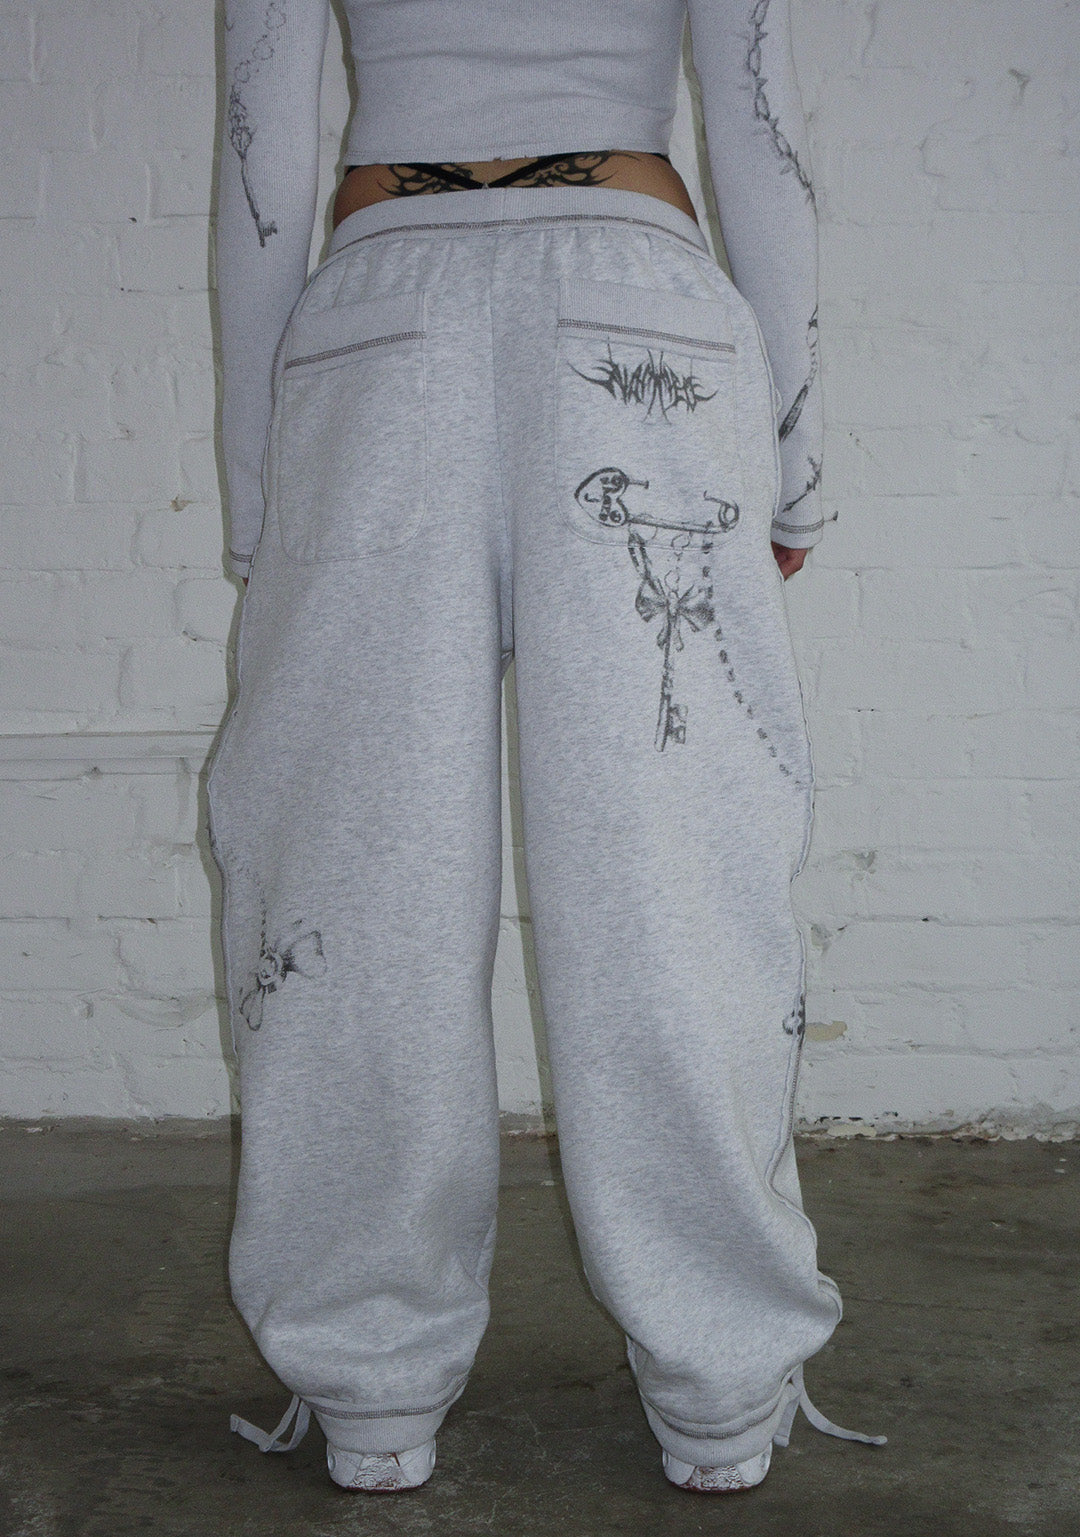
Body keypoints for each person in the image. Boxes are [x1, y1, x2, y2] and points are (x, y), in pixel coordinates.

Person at [207, 0, 886, 1498]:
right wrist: (791, 456)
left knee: (355, 876)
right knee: (671, 871)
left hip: (380, 323)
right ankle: (720, 1386)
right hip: (640, 304)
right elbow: (758, 124)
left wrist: (264, 496)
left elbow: (260, 155)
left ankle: (370, 1383)